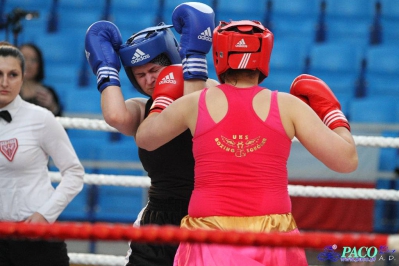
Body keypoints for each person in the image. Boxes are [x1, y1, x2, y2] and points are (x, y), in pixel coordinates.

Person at [135, 20, 359, 266]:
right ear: (264, 55)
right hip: (273, 235)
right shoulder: (287, 106)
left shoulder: (195, 103)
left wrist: (162, 99)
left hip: (207, 234)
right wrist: (332, 114)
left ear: (220, 56)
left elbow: (146, 139)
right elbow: (347, 162)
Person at [84, 2, 218, 265]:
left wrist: (192, 59)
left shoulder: (209, 91)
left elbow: (195, 102)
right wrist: (106, 69)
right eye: (140, 75)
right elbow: (114, 116)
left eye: (155, 70)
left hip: (208, 214)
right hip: (158, 215)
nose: (149, 80)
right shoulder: (140, 109)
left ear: (174, 60)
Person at [0, 42, 85, 266]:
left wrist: (45, 215)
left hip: (37, 239)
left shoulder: (41, 118)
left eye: (13, 74)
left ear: (23, 77)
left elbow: (74, 172)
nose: (4, 82)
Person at [18, 43, 63, 116]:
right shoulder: (8, 90)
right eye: (24, 58)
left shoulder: (48, 92)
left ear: (39, 65)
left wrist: (52, 107)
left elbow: (61, 125)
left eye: (33, 60)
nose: (28, 64)